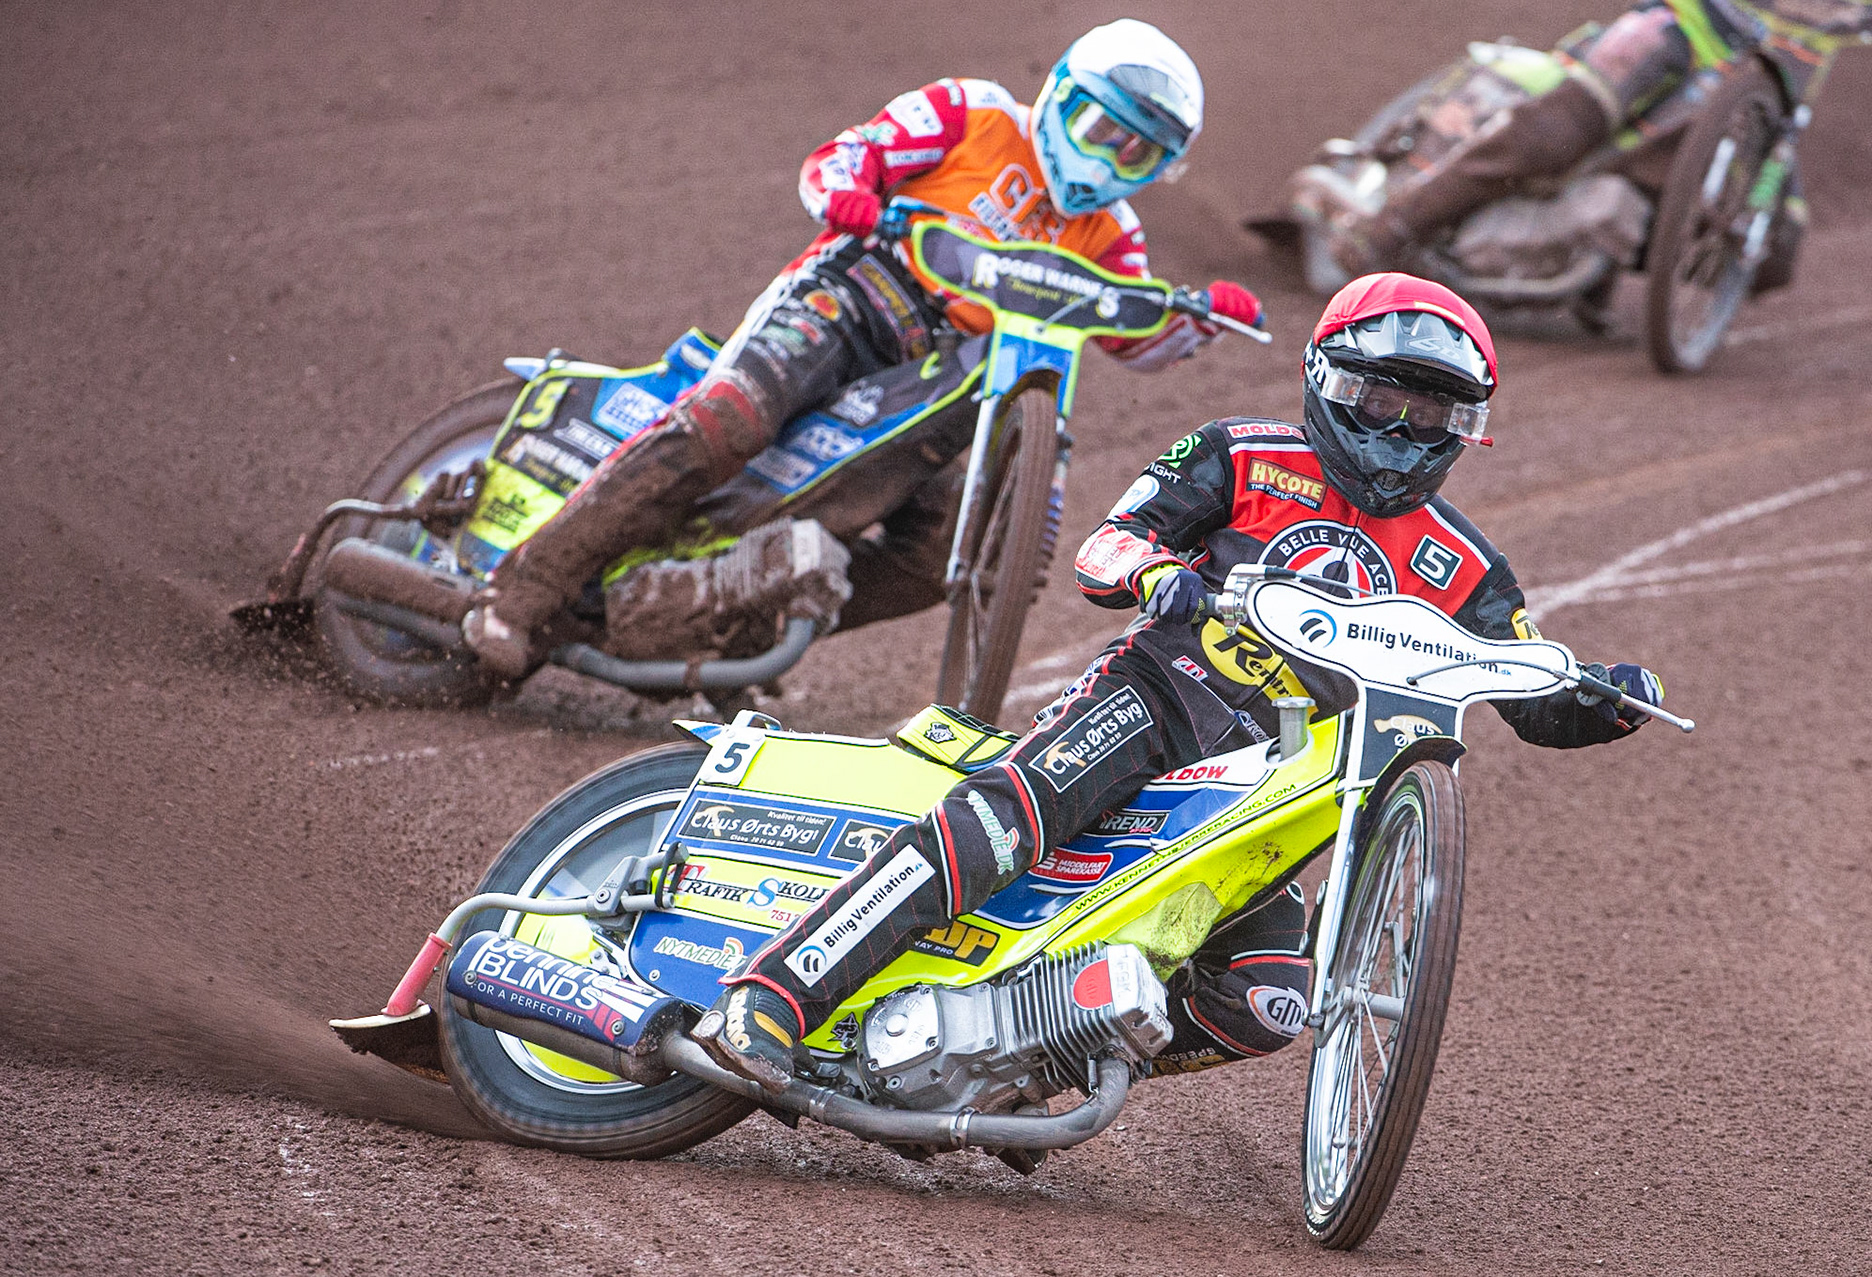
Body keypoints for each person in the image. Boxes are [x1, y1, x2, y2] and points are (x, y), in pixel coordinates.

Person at [692, 271, 1667, 1091]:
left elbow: (1530, 685)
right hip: (1156, 698)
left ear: (1467, 428)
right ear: (1329, 380)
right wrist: (1156, 574)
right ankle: (772, 995)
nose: (1403, 432)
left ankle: (1026, 1065)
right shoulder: (1238, 453)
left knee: (1267, 1000)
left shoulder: (1470, 566)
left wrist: (1606, 697)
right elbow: (1109, 543)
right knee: (1001, 822)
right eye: (1384, 403)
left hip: (1276, 781)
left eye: (1433, 415)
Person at [461, 18, 1265, 677]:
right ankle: (519, 590)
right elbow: (845, 156)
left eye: (1137, 154)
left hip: (946, 380)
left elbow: (1132, 333)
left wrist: (1197, 318)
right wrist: (846, 193)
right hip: (852, 296)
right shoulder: (973, 112)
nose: (1107, 160)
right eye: (1100, 130)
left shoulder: (1115, 236)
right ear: (1059, 92)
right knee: (731, 418)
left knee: (941, 552)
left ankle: (736, 621)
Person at [1296, 0, 1872, 276]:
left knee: (1776, 252)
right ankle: (1389, 229)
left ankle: (1594, 271)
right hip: (1681, 31)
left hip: (1760, 105)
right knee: (1558, 131)